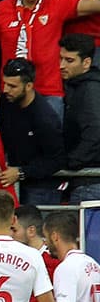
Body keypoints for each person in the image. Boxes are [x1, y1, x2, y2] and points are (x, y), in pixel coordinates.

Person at [0, 0, 100, 121]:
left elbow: (94, 4)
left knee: (51, 145)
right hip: (12, 92)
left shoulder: (56, 5)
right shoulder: (1, 9)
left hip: (49, 93)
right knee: (13, 145)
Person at [0, 58, 66, 205]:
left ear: (29, 85)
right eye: (5, 83)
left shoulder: (44, 118)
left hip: (41, 187)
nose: (6, 90)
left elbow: (57, 160)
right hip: (11, 176)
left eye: (12, 86)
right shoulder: (7, 101)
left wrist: (21, 172)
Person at [59, 34, 100, 202]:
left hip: (91, 183)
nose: (61, 65)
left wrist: (71, 161)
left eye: (69, 61)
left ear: (86, 63)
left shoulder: (90, 90)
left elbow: (95, 131)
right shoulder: (79, 86)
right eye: (60, 58)